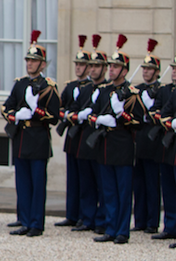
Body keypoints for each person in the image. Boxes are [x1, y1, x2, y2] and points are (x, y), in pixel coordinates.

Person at [1, 31, 60, 236]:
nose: (30, 64)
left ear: (43, 64)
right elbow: (6, 107)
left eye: (34, 61)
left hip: (38, 139)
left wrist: (37, 112)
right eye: (28, 60)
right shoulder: (20, 84)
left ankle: (36, 223)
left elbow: (54, 116)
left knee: (37, 184)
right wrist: (15, 115)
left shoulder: (49, 87)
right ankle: (24, 220)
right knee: (23, 184)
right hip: (21, 139)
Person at [87, 36, 146, 244]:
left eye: (115, 67)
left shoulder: (131, 94)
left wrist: (122, 115)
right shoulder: (103, 91)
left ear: (124, 70)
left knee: (122, 191)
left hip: (122, 147)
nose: (111, 70)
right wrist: (100, 120)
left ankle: (122, 230)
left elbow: (139, 122)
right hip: (105, 147)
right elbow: (91, 116)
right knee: (108, 191)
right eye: (110, 66)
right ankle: (110, 228)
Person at [72, 35, 108, 232]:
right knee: (86, 185)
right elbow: (74, 111)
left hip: (101, 143)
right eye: (91, 66)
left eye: (96, 66)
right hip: (85, 142)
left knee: (102, 185)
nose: (92, 69)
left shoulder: (108, 90)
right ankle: (87, 219)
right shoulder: (84, 90)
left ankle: (101, 221)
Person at [55, 35, 91, 228]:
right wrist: (66, 115)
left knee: (85, 179)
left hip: (84, 136)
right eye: (77, 64)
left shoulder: (92, 88)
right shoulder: (70, 86)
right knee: (72, 178)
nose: (78, 67)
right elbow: (60, 108)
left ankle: (86, 216)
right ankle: (72, 213)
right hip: (72, 136)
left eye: (82, 64)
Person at [131, 39, 164, 234]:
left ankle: (152, 222)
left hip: (153, 142)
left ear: (157, 71)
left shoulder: (159, 90)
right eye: (144, 68)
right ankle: (140, 220)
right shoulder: (139, 90)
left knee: (152, 183)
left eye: (149, 69)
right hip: (138, 141)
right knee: (139, 184)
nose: (145, 71)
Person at [157, 54, 176, 246]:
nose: (174, 72)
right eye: (174, 68)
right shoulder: (174, 92)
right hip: (172, 148)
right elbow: (164, 114)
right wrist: (172, 122)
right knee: (170, 190)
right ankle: (171, 227)